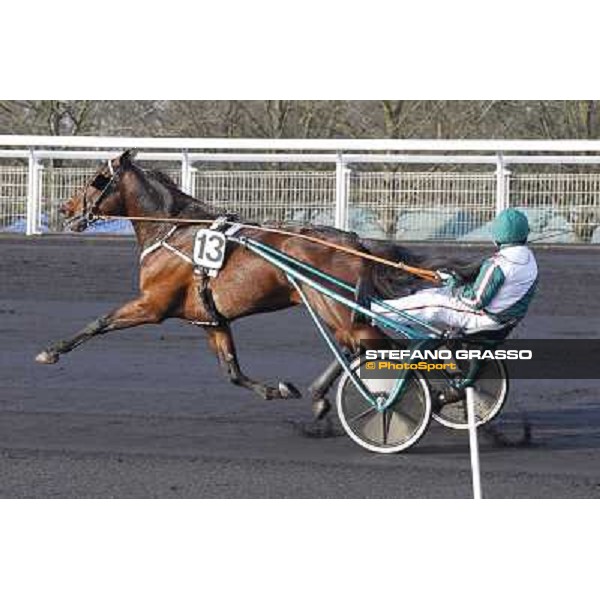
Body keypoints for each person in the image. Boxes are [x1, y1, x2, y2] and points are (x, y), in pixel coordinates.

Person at [372, 208, 539, 334]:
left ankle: (372, 311)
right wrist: (453, 280)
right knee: (434, 291)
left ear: (497, 237)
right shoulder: (529, 258)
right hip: (504, 318)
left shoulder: (499, 263)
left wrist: (455, 286)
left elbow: (475, 300)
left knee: (433, 303)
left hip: (486, 318)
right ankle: (393, 313)